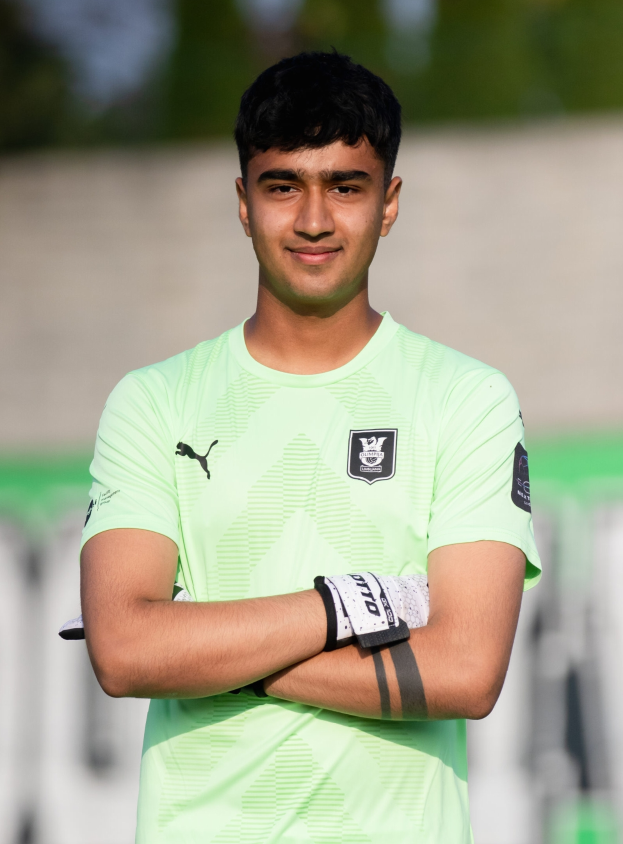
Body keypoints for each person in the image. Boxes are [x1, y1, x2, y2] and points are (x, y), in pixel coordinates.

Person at [80, 51, 541, 843]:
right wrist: (346, 607)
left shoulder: (466, 398)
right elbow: (123, 651)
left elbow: (466, 669)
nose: (314, 220)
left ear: (389, 202)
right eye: (283, 185)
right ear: (242, 200)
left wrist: (214, 653)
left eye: (346, 186)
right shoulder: (153, 401)